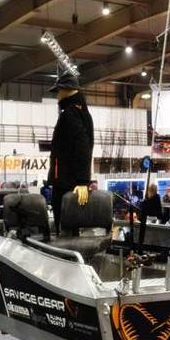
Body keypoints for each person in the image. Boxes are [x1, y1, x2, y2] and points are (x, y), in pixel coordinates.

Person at [46, 74, 94, 233]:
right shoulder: (82, 112)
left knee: (64, 228)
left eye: (59, 91)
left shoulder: (70, 114)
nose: (57, 96)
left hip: (66, 183)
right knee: (70, 229)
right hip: (70, 181)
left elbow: (82, 147)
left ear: (66, 90)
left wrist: (82, 181)